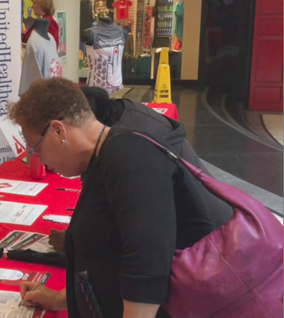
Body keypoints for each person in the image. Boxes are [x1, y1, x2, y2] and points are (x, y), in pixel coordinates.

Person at [11, 78, 217, 318]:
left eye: (36, 148)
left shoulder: (131, 159)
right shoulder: (103, 159)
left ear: (58, 130)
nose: (38, 158)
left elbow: (146, 275)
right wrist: (58, 299)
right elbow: (107, 261)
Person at [48, 86, 233, 252]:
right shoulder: (124, 112)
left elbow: (141, 237)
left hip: (209, 244)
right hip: (215, 223)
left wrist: (77, 242)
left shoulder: (129, 148)